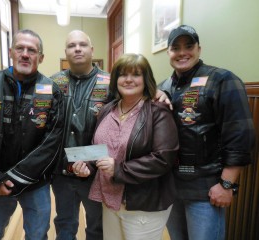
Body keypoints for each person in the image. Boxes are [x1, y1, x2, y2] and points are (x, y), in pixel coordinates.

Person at [0, 29, 65, 240]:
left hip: (36, 183)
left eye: (32, 50)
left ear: (41, 57)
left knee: (37, 235)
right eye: (20, 48)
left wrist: (18, 177)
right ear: (11, 52)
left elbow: (53, 141)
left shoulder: (52, 91)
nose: (25, 54)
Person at [158, 25, 256, 240]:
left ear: (199, 49)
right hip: (172, 187)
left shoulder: (222, 79)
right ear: (169, 53)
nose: (182, 52)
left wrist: (227, 184)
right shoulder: (163, 86)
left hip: (206, 189)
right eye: (176, 48)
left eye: (189, 46)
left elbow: (239, 135)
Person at [73, 53, 179, 240]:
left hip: (143, 202)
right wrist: (86, 165)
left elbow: (164, 158)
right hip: (110, 199)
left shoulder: (157, 110)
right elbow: (99, 147)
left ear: (146, 79)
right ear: (115, 80)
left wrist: (119, 169)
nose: (129, 79)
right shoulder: (108, 109)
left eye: (136, 74)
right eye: (123, 74)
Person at [50, 30, 110, 240]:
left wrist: (158, 92)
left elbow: (119, 133)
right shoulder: (52, 83)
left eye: (82, 44)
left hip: (96, 174)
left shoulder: (111, 83)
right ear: (65, 52)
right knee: (65, 224)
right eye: (72, 45)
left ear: (92, 50)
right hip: (61, 173)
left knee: (97, 227)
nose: (77, 48)